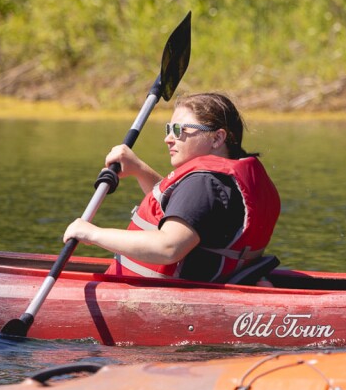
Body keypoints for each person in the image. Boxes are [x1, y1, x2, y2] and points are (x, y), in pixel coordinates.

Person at [63, 92, 281, 284]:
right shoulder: (221, 181)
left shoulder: (205, 183)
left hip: (168, 297)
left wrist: (92, 233)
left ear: (217, 138)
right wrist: (139, 169)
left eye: (179, 130)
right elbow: (185, 208)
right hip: (212, 284)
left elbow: (168, 247)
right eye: (169, 129)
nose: (168, 138)